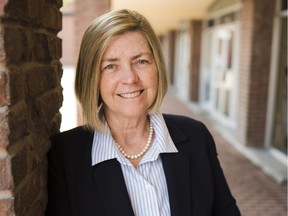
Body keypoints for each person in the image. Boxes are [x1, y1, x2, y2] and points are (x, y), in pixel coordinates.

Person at [46, 9, 241, 216]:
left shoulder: (196, 137)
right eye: (111, 66)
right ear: (91, 77)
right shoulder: (66, 155)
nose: (130, 78)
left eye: (141, 61)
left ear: (157, 67)